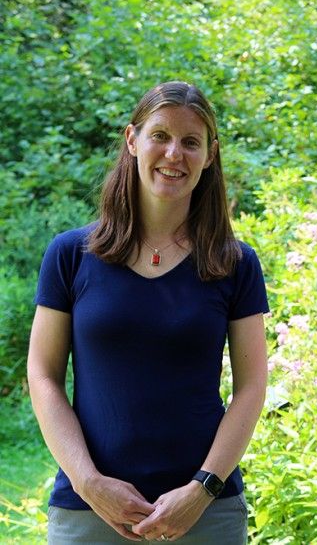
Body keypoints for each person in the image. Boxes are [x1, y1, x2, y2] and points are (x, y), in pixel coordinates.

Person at [27, 81, 269, 544]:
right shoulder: (70, 254)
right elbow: (42, 375)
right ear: (132, 140)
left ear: (210, 154)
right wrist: (89, 482)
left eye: (190, 142)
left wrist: (202, 489)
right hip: (90, 512)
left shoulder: (235, 263)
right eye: (160, 135)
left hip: (205, 514)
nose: (174, 153)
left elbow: (252, 387)